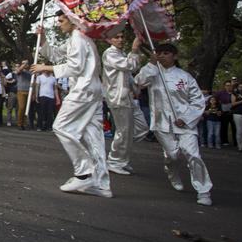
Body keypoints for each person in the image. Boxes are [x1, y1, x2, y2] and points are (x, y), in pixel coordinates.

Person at [32, 11, 111, 198]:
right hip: (93, 90)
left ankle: (84, 173)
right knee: (94, 138)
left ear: (73, 20)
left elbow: (75, 67)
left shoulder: (78, 38)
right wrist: (42, 39)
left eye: (61, 20)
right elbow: (55, 54)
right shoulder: (79, 38)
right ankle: (101, 184)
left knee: (61, 127)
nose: (59, 24)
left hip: (83, 90)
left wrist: (45, 68)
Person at [134, 43, 214, 205]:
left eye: (166, 53)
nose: (162, 56)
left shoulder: (185, 77)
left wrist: (185, 118)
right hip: (161, 123)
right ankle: (172, 173)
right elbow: (137, 83)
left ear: (174, 56)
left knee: (192, 154)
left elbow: (197, 101)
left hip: (184, 123)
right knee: (172, 154)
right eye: (159, 53)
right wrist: (151, 64)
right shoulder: (152, 73)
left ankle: (203, 190)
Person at [102, 32, 148, 175]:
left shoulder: (121, 54)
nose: (121, 39)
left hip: (129, 98)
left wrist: (136, 87)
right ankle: (115, 161)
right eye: (117, 36)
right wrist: (134, 49)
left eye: (122, 36)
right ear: (109, 39)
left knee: (141, 129)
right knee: (123, 131)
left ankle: (122, 157)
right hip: (118, 98)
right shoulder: (110, 53)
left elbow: (128, 76)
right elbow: (130, 66)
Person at [14, 60, 32, 129]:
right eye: (24, 63)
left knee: (26, 109)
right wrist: (24, 64)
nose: (25, 65)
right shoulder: (20, 71)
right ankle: (19, 123)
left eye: (27, 64)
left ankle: (24, 123)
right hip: (21, 91)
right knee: (21, 107)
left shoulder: (30, 72)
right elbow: (18, 71)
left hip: (29, 91)